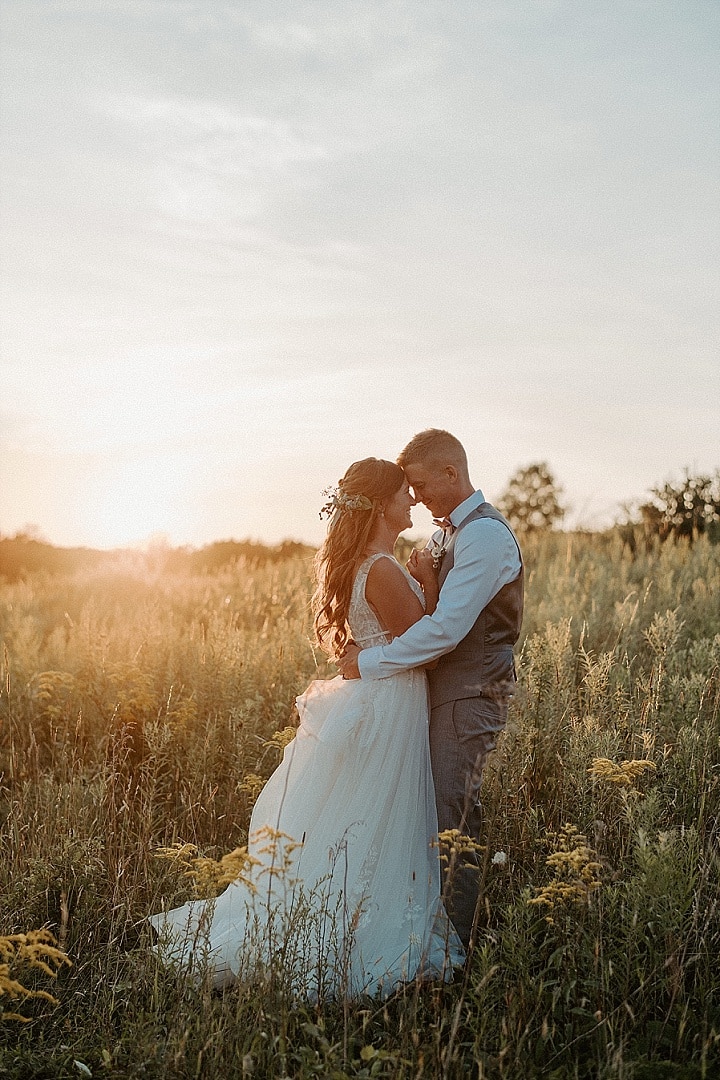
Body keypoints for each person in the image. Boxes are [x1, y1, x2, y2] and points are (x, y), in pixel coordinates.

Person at [150, 457, 463, 999]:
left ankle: (332, 916)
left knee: (357, 814)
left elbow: (374, 641)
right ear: (381, 504)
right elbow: (429, 650)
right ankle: (350, 934)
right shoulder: (384, 569)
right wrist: (430, 581)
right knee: (378, 815)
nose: (412, 501)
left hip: (375, 694)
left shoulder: (367, 564)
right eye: (403, 494)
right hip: (390, 701)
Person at [338, 430, 524, 948]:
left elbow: (443, 630)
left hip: (470, 692)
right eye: (407, 490)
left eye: (420, 484)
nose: (414, 497)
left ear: (451, 472)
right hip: (434, 694)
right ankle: (425, 929)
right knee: (432, 814)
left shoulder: (485, 537)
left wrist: (367, 663)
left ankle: (455, 947)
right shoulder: (448, 533)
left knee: (453, 815)